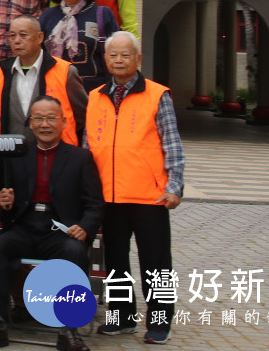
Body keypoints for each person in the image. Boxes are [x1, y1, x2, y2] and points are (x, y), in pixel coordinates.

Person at [0, 96, 104, 351]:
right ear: (30, 124)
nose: (45, 124)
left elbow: (95, 203)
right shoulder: (16, 155)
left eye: (51, 118)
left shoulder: (80, 158)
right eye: (39, 119)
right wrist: (5, 203)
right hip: (25, 226)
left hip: (60, 230)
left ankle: (69, 330)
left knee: (75, 252)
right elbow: (3, 205)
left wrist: (84, 227)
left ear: (64, 122)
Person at [85, 32, 185, 345]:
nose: (118, 60)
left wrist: (174, 186)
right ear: (106, 59)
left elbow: (172, 145)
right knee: (115, 262)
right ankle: (121, 317)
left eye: (125, 55)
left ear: (138, 59)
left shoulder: (157, 95)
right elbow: (89, 146)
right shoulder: (96, 96)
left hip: (149, 195)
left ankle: (159, 321)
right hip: (109, 196)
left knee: (156, 263)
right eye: (112, 55)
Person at [0, 16, 87, 145]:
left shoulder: (65, 71)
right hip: (12, 153)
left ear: (40, 37)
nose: (17, 41)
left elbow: (82, 115)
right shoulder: (1, 72)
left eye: (23, 35)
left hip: (56, 153)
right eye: (12, 36)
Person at [39, 0, 120, 92]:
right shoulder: (47, 17)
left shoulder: (102, 14)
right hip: (55, 93)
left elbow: (115, 55)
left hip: (96, 93)